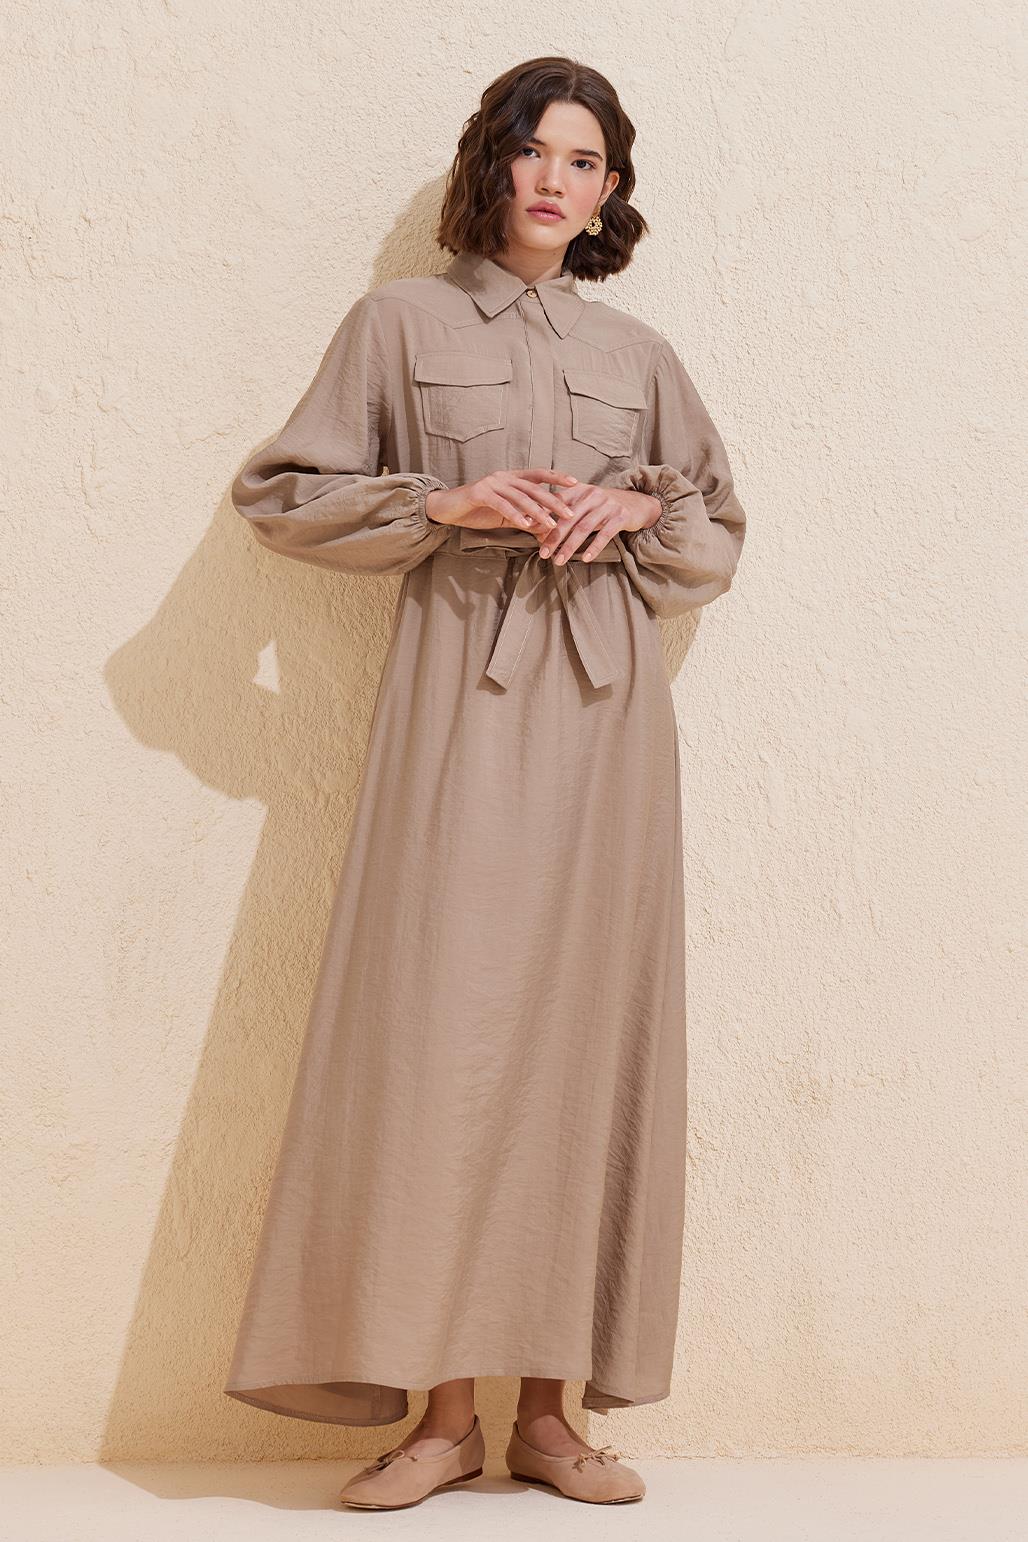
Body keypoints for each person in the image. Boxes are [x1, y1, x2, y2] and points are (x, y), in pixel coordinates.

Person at [224, 55, 746, 1510]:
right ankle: (442, 1413)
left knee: (583, 1038)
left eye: (583, 161)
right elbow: (282, 493)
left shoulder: (638, 353)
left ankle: (550, 1415)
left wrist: (633, 505)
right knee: (441, 1038)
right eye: (533, 151)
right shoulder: (398, 323)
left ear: (610, 191)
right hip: (459, 698)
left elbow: (716, 531)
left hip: (606, 717)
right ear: (492, 164)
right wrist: (441, 500)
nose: (553, 180)